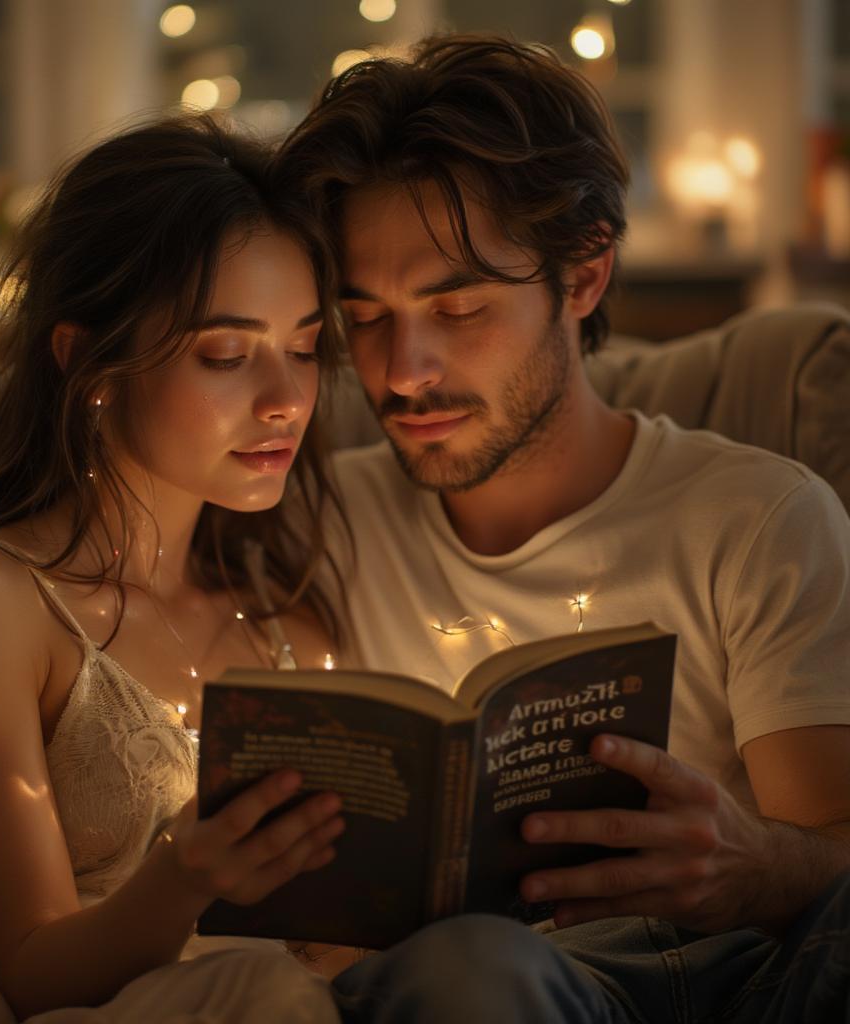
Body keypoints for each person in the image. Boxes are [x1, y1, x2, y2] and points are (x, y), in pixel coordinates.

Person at [276, 33, 850, 1023]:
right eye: (363, 316)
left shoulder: (756, 518)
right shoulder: (316, 525)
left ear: (581, 277)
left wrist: (749, 866)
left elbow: (833, 850)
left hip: (734, 976)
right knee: (467, 973)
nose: (400, 369)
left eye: (456, 305)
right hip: (475, 988)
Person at [0, 116, 350, 1022]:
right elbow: (32, 966)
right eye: (226, 354)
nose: (287, 400)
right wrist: (181, 874)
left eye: (303, 348)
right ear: (89, 361)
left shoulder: (290, 625)